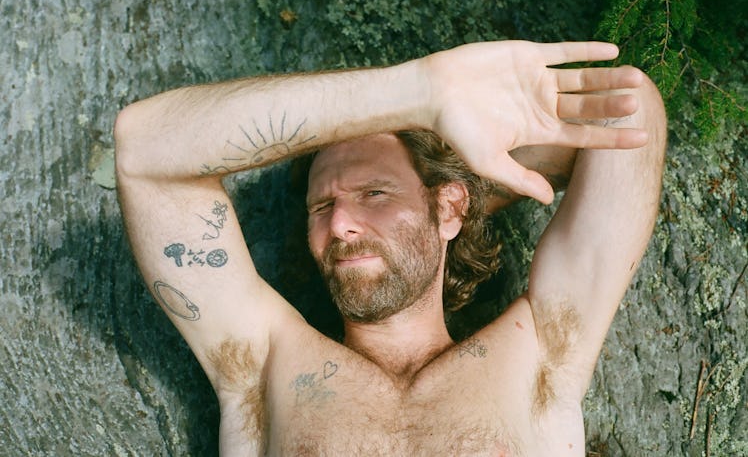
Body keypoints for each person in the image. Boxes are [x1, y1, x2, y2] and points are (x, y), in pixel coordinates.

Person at [114, 40, 666, 456]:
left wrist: (458, 191)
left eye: (374, 194)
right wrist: (419, 93)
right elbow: (144, 148)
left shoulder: (543, 353)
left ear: (449, 208)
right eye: (320, 207)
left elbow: (627, 109)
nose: (340, 224)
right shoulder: (262, 366)